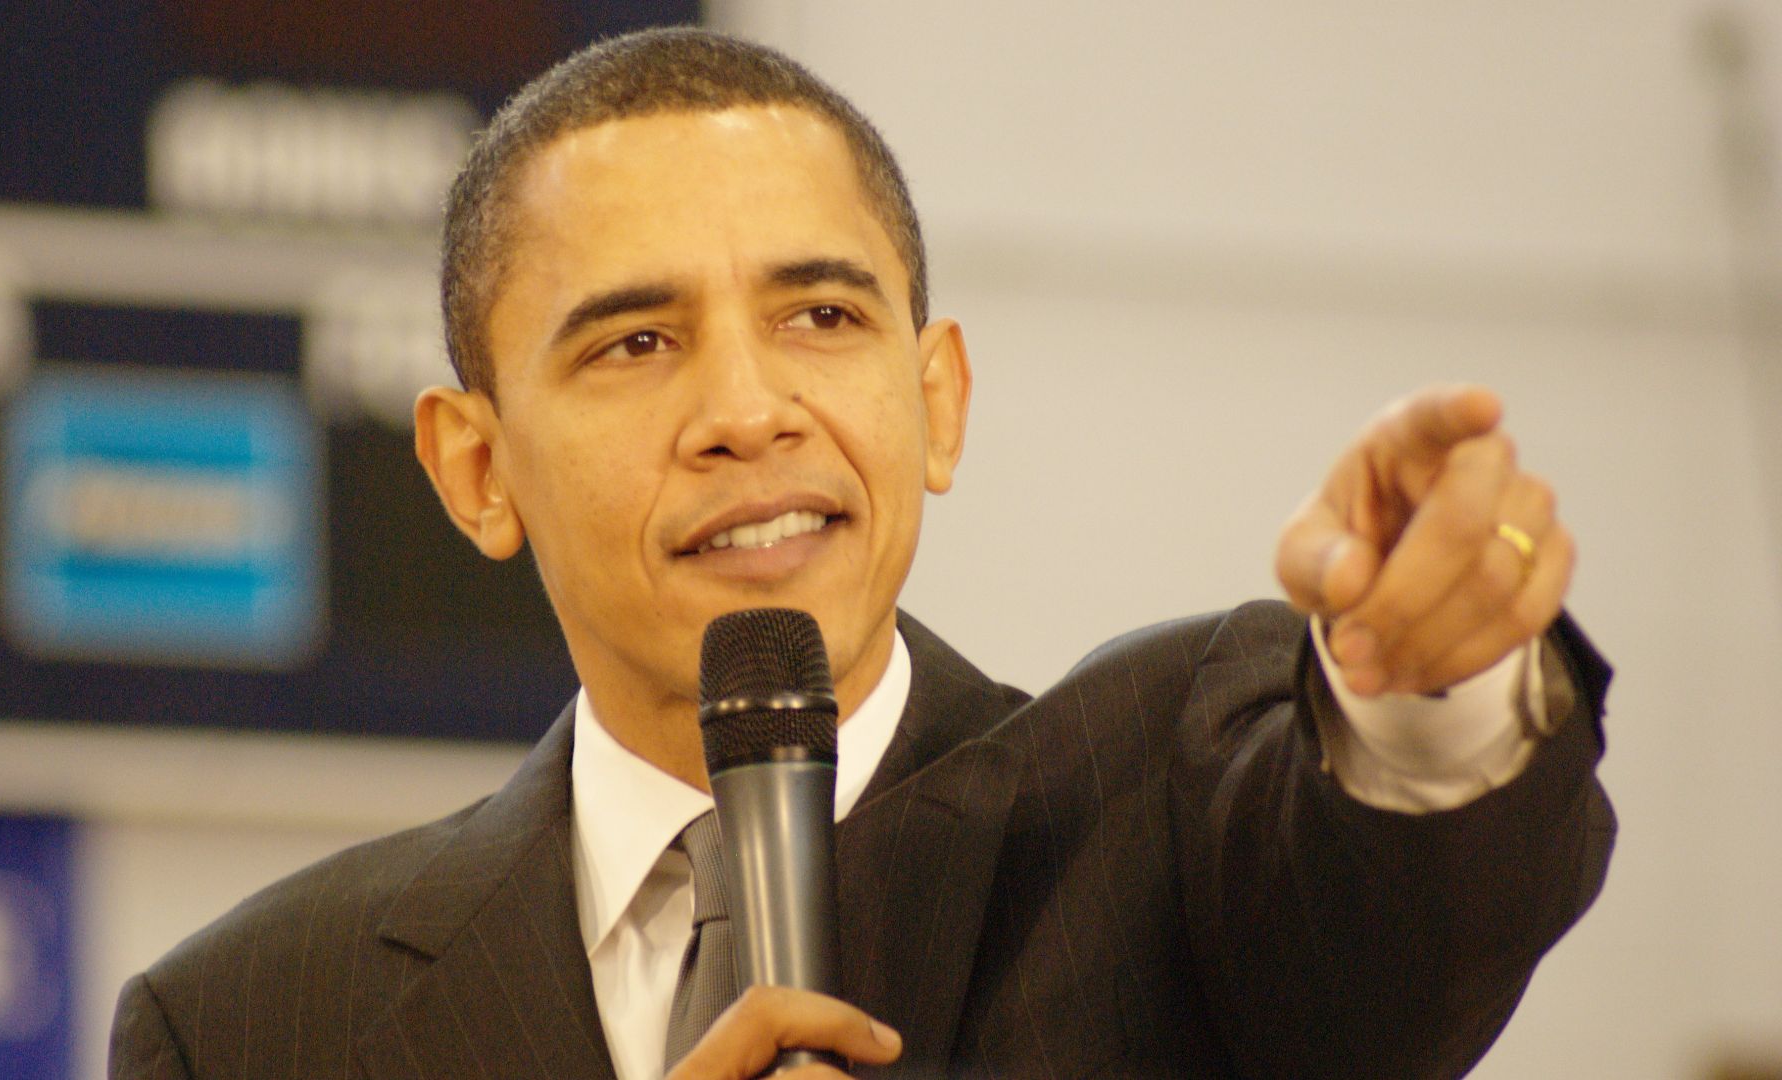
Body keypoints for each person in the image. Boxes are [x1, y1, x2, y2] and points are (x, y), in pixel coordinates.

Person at [109, 27, 1613, 1080]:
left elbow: (1403, 930)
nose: (747, 411)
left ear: (935, 399)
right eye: (638, 341)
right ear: (476, 467)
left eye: (822, 318)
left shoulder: (1163, 809)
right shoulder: (248, 1028)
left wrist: (1429, 692)